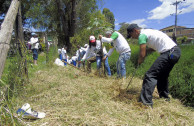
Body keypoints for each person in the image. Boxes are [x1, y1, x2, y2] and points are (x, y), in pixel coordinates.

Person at [127, 24, 181, 107]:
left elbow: (142, 55)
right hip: (175, 52)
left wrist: (139, 60)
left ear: (135, 31)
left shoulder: (142, 35)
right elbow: (154, 46)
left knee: (150, 75)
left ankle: (146, 103)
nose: (132, 37)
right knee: (162, 76)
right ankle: (165, 98)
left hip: (169, 52)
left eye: (131, 35)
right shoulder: (149, 32)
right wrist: (147, 50)